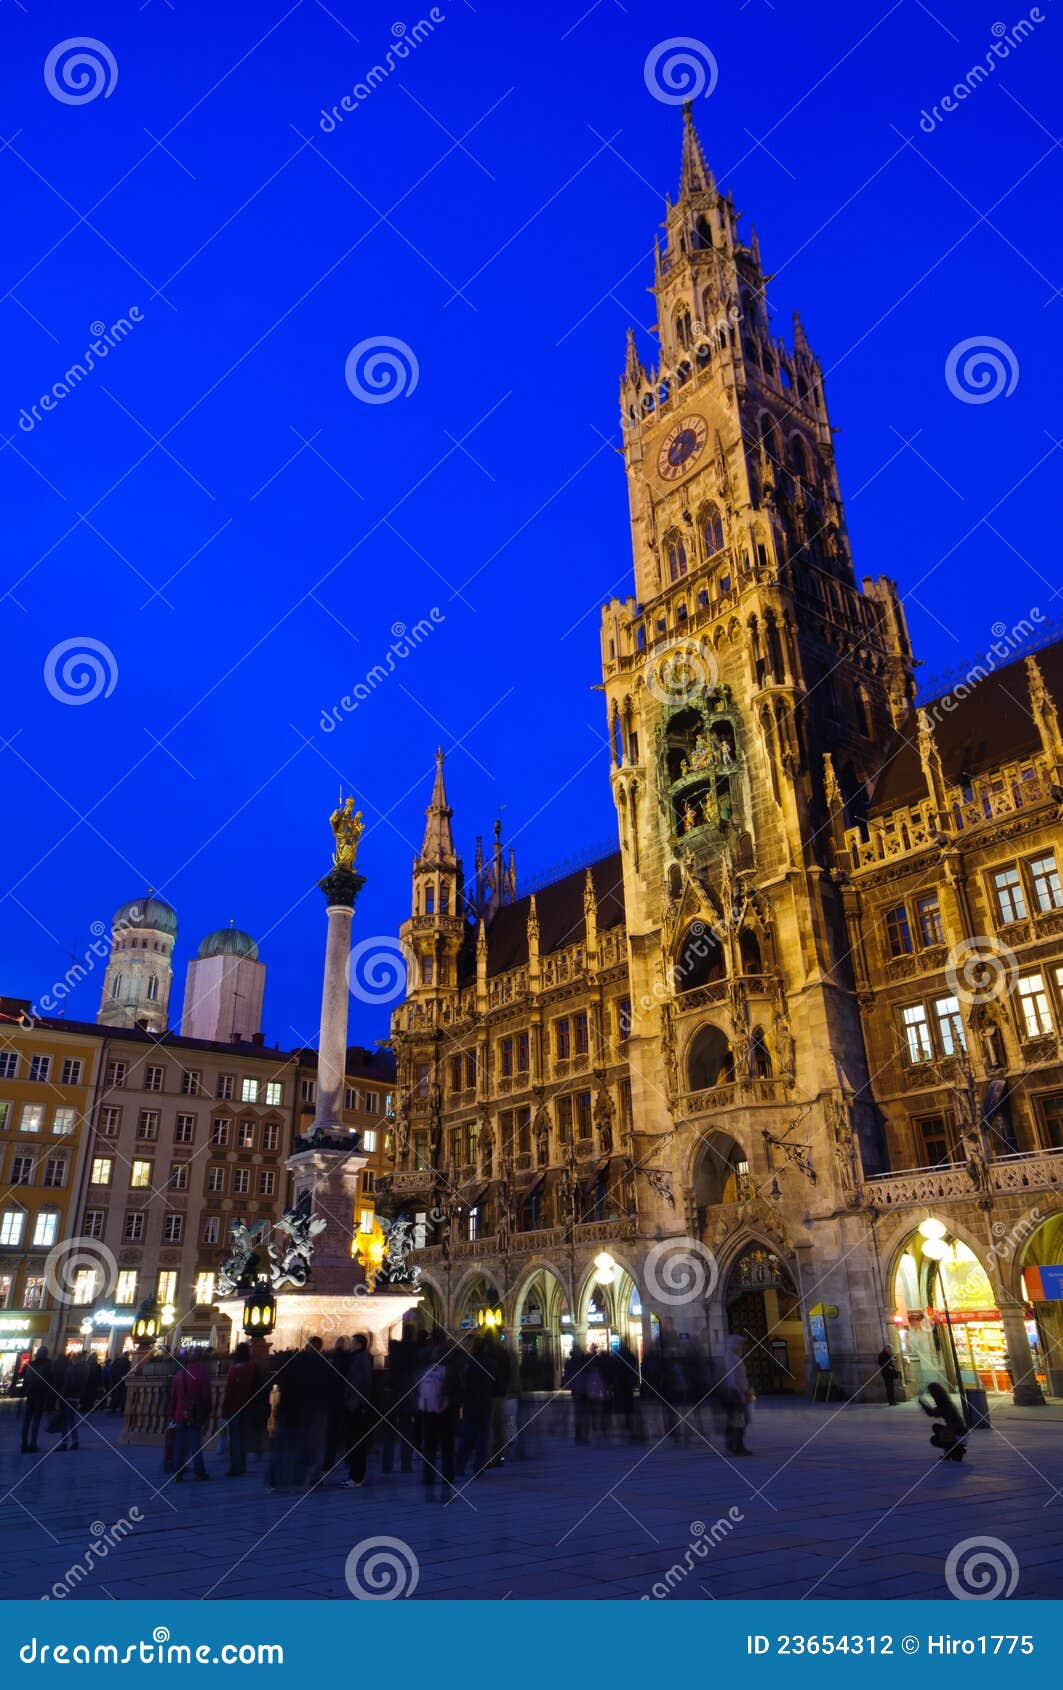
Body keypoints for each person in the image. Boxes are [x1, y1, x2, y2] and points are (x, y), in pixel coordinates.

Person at [417, 1334, 458, 1501]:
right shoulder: (451, 1371)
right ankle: (447, 1478)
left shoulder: (428, 1370)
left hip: (429, 1414)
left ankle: (428, 1478)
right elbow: (457, 1393)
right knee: (447, 1450)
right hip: (446, 1414)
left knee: (430, 1448)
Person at [455, 1337, 494, 1480]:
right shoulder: (490, 1363)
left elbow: (462, 1383)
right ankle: (479, 1468)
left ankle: (460, 1466)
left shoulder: (468, 1363)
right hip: (485, 1403)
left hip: (470, 1404)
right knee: (483, 1438)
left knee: (467, 1437)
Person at [170, 1353, 213, 1481]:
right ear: (200, 1360)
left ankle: (177, 1472)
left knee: (180, 1444)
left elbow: (173, 1397)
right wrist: (206, 1413)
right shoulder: (202, 1374)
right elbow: (206, 1397)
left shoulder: (179, 1374)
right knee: (195, 1444)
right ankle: (199, 1472)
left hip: (179, 1414)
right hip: (194, 1413)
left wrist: (173, 1413)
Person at [340, 1334, 375, 1489]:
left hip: (358, 1405)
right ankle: (354, 1476)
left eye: (353, 1343)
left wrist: (355, 1401)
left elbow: (362, 1382)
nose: (351, 1345)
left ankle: (357, 1477)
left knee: (357, 1442)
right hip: (355, 1404)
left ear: (360, 1344)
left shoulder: (361, 1359)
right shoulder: (358, 1358)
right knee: (353, 1441)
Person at [221, 1343, 260, 1476]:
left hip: (234, 1407)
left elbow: (229, 1391)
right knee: (243, 1437)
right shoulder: (253, 1368)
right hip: (248, 1407)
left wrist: (224, 1409)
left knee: (235, 1439)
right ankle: (242, 1465)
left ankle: (235, 1467)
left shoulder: (234, 1370)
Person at [719, 1335, 754, 1456]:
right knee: (740, 1420)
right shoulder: (730, 1357)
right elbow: (731, 1377)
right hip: (736, 1395)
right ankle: (737, 1445)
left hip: (738, 1393)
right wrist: (739, 1392)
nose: (742, 1346)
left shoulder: (734, 1356)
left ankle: (732, 1443)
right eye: (740, 1344)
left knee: (736, 1420)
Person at [919, 1383, 968, 1463]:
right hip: (959, 1430)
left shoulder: (944, 1405)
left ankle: (956, 1450)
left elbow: (932, 1413)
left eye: (932, 1393)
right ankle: (953, 1450)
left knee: (935, 1439)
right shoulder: (945, 1403)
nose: (932, 1396)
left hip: (958, 1431)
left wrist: (921, 1401)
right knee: (937, 1428)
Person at [20, 1346, 54, 1453]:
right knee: (36, 1420)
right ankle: (33, 1444)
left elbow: (25, 1380)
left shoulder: (31, 1365)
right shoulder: (48, 1365)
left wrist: (25, 1391)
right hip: (40, 1395)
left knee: (27, 1420)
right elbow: (50, 1381)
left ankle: (24, 1444)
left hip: (31, 1394)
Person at [54, 1352, 91, 1451]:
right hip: (77, 1397)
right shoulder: (85, 1369)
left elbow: (67, 1384)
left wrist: (61, 1397)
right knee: (71, 1420)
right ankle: (75, 1441)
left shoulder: (71, 1370)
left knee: (65, 1421)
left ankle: (65, 1442)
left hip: (68, 1397)